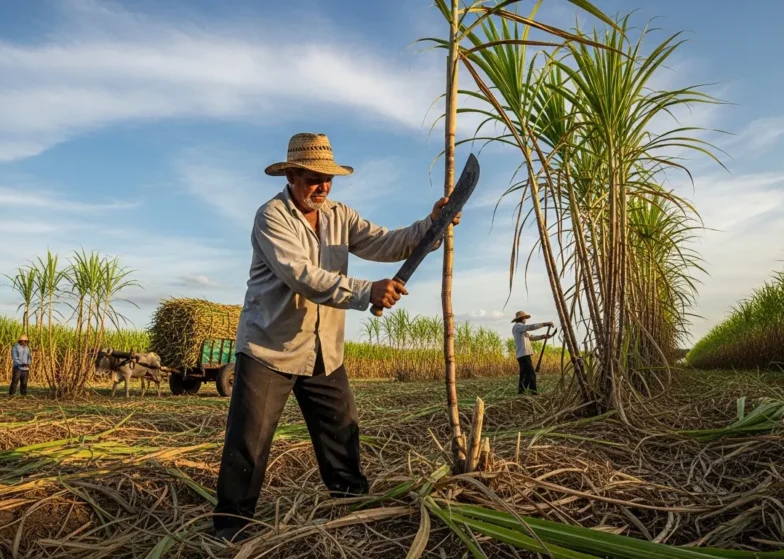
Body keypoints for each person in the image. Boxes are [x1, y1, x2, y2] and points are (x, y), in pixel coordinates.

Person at [213, 132, 462, 543]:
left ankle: (351, 509)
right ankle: (231, 528)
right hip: (269, 350)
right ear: (291, 175)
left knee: (342, 429)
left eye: (328, 178)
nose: (322, 187)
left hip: (323, 351)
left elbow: (387, 242)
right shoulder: (271, 217)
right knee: (249, 444)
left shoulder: (339, 216)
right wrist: (368, 291)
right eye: (313, 178)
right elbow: (303, 277)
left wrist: (431, 225)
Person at [511, 311, 554, 395]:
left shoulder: (522, 328)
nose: (525, 319)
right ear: (521, 318)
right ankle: (533, 391)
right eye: (524, 318)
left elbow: (530, 338)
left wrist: (542, 336)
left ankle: (521, 392)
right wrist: (545, 324)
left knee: (525, 374)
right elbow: (531, 327)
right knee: (531, 373)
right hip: (523, 354)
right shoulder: (518, 326)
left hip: (524, 354)